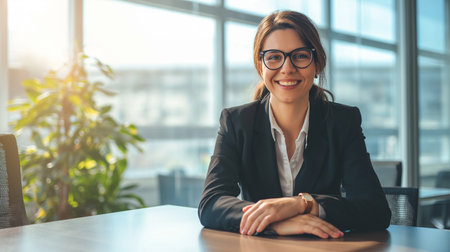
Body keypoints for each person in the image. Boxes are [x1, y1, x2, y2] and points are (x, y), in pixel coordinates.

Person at [198, 10, 391, 239]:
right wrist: (274, 223)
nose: (287, 68)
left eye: (299, 56)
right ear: (261, 66)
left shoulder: (342, 122)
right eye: (274, 57)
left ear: (317, 63)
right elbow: (212, 202)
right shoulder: (237, 122)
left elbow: (375, 210)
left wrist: (302, 205)